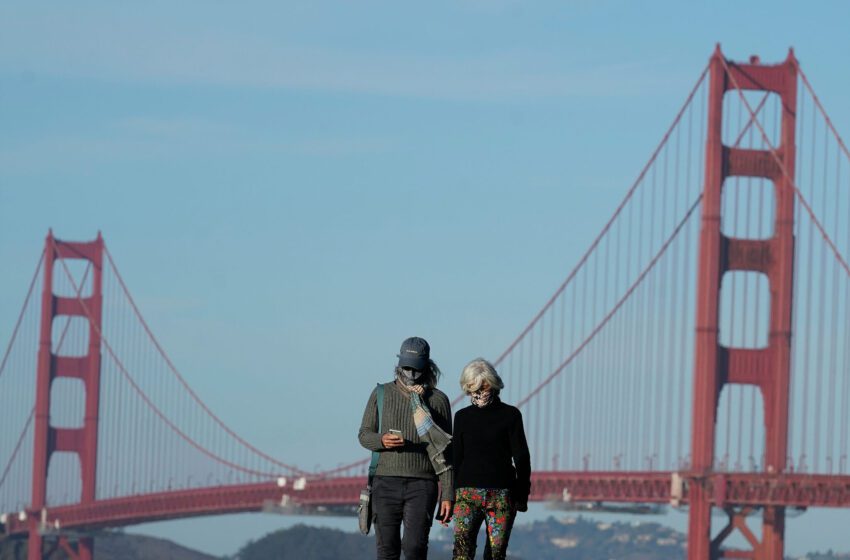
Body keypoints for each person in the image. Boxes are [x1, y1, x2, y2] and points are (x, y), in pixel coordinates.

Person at [358, 336, 453, 560]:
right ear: (399, 363)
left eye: (416, 367)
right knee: (387, 550)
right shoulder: (381, 393)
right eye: (406, 366)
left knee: (414, 548)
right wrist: (381, 441)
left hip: (423, 483)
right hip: (385, 481)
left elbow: (446, 452)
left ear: (427, 366)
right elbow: (363, 435)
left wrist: (448, 493)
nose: (410, 373)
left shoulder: (438, 400)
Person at [451, 358, 530, 560]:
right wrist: (449, 498)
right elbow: (456, 459)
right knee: (461, 554)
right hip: (466, 496)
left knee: (496, 555)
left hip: (502, 495)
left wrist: (522, 495)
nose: (478, 391)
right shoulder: (461, 417)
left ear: (493, 384)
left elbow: (521, 457)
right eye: (472, 387)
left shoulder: (511, 415)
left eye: (483, 385)